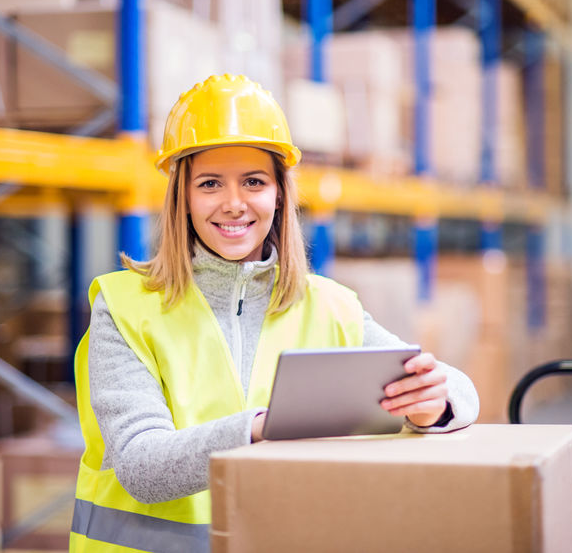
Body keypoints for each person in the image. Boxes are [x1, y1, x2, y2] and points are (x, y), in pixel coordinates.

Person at [69, 74, 480, 553]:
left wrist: (434, 406)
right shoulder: (124, 306)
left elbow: (460, 390)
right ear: (181, 196)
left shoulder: (330, 306)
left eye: (254, 182)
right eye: (209, 184)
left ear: (280, 194)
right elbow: (142, 467)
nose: (234, 203)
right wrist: (261, 427)